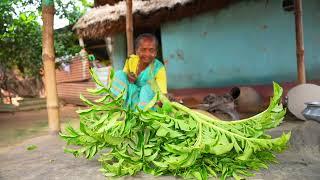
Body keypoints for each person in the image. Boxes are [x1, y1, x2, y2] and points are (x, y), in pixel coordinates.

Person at [110, 33, 167, 110]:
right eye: (143, 50)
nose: (147, 54)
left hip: (148, 101)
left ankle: (141, 114)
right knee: (119, 74)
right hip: (133, 97)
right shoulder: (131, 60)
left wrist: (161, 102)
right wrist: (128, 77)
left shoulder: (159, 68)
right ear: (136, 51)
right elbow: (124, 78)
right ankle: (118, 104)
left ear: (156, 52)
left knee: (146, 89)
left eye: (151, 50)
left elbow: (163, 93)